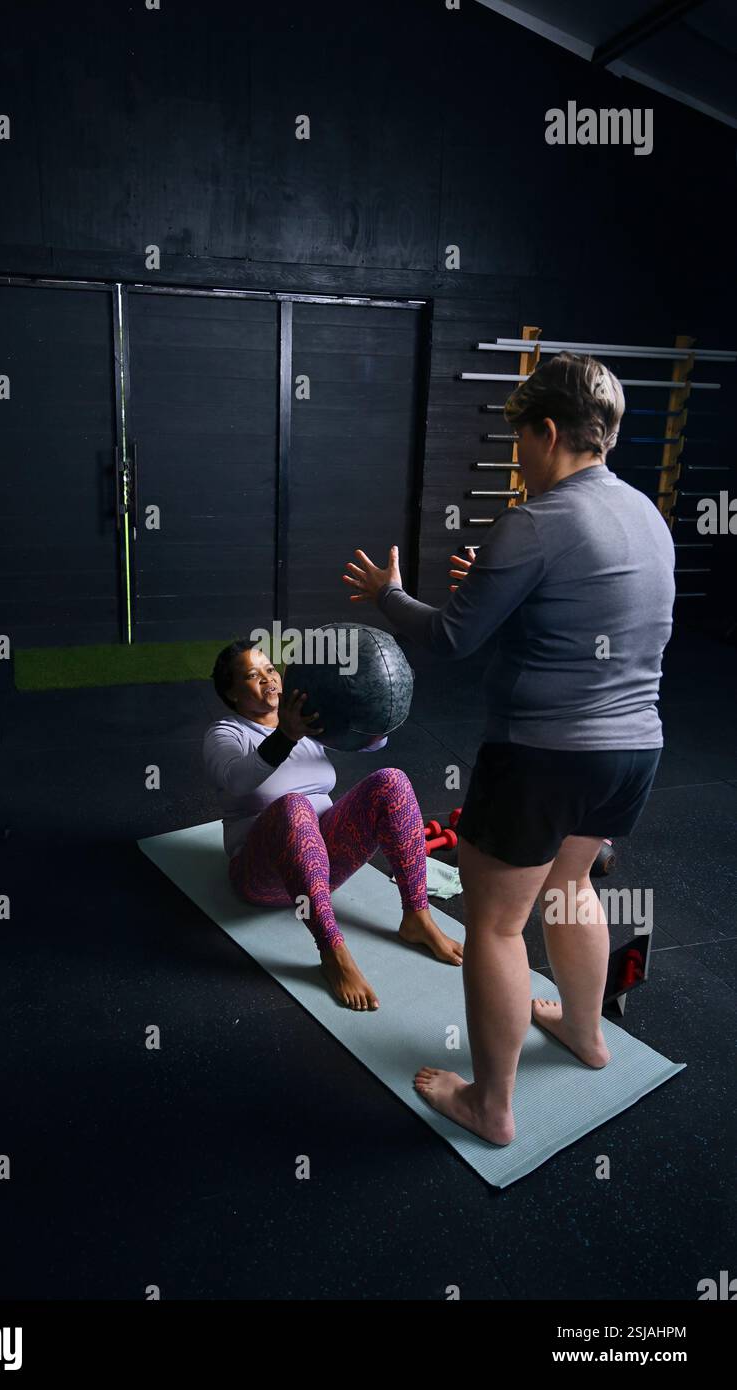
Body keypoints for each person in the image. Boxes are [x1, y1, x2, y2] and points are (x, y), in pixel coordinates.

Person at [343, 352, 675, 1145]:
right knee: (573, 889)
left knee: (495, 925)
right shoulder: (649, 517)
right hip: (634, 751)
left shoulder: (536, 521)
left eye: (519, 440)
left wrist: (386, 596)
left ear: (550, 432)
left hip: (542, 757)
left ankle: (488, 1106)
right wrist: (503, 584)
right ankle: (588, 1036)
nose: (516, 457)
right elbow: (595, 614)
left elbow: (454, 637)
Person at [203, 639, 464, 1010]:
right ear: (231, 693)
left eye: (270, 669)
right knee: (292, 807)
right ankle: (333, 954)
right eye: (252, 675)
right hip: (263, 875)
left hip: (324, 865)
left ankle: (417, 916)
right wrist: (287, 735)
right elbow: (238, 781)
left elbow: (366, 744)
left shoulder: (299, 720)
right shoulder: (226, 735)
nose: (268, 679)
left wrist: (379, 703)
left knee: (392, 780)